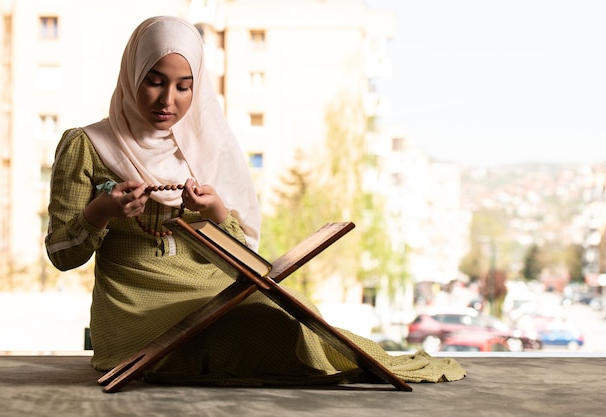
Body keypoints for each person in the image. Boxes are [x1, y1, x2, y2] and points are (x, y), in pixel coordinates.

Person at [45, 16, 465, 387]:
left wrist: (216, 214)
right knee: (250, 333)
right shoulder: (87, 145)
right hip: (134, 309)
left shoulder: (211, 145)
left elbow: (245, 262)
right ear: (131, 74)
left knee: (291, 321)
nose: (167, 100)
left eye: (183, 86)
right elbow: (61, 255)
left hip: (215, 296)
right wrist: (100, 212)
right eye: (154, 80)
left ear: (198, 86)